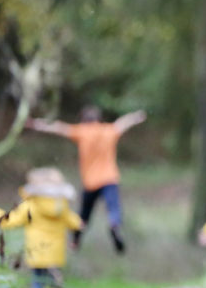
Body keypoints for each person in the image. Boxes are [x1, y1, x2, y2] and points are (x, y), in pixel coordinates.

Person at [25, 106, 146, 253]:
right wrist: (136, 116)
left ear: (83, 120)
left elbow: (58, 127)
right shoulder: (108, 130)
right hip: (109, 178)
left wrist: (36, 124)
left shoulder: (82, 131)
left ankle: (76, 240)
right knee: (114, 207)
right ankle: (114, 225)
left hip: (91, 182)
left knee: (84, 214)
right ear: (98, 119)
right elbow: (122, 123)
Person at [0, 167, 84, 288]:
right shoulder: (61, 206)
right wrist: (79, 223)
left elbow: (11, 220)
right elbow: (73, 221)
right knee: (51, 274)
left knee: (38, 278)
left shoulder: (31, 205)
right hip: (56, 250)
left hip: (37, 249)